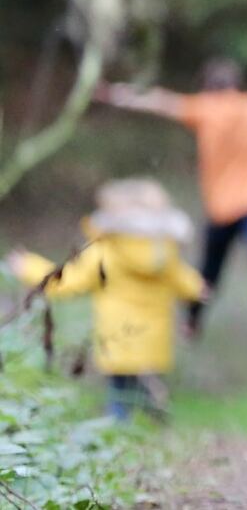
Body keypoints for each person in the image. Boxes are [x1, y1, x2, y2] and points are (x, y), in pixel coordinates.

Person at [93, 58, 247, 345]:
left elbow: (159, 101)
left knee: (209, 270)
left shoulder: (205, 109)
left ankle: (193, 320)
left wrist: (116, 94)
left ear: (207, 87)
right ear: (236, 85)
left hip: (222, 209)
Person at [7, 179, 208, 421]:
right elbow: (185, 281)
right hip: (154, 339)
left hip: (119, 338)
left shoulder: (106, 250)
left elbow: (66, 280)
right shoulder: (164, 252)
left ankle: (121, 425)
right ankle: (152, 412)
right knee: (139, 384)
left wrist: (28, 266)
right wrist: (199, 288)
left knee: (119, 393)